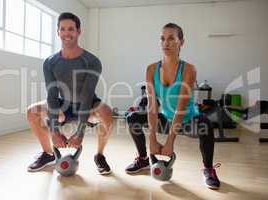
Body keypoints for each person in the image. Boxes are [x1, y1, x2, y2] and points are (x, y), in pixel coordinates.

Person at [125, 23, 221, 189]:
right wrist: (152, 140)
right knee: (133, 117)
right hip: (167, 119)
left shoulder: (189, 70)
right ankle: (143, 158)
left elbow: (181, 108)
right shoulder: (151, 69)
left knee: (205, 124)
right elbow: (152, 106)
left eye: (171, 38)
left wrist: (170, 141)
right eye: (162, 39)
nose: (165, 43)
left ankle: (208, 168)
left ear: (181, 42)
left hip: (188, 120)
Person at [26, 12, 113, 175]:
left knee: (107, 113)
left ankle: (99, 156)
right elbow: (52, 95)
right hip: (63, 104)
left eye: (71, 29)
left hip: (88, 104)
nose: (67, 33)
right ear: (58, 32)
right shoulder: (50, 62)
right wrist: (55, 131)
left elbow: (87, 96)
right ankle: (48, 154)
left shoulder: (92, 61)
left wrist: (79, 132)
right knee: (31, 111)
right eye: (63, 29)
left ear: (79, 31)